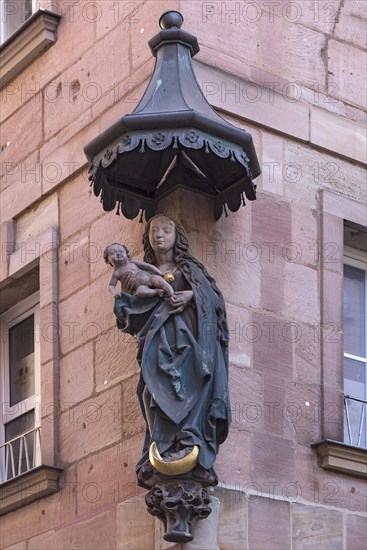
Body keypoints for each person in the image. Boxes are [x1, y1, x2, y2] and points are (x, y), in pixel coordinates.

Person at [113, 215, 230, 487]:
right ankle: (161, 445)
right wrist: (123, 302)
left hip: (189, 343)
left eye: (166, 230)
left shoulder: (190, 270)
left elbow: (213, 300)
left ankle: (190, 439)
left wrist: (190, 296)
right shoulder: (139, 273)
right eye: (154, 231)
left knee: (193, 386)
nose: (159, 235)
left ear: (177, 236)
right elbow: (130, 315)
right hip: (156, 342)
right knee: (148, 392)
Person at [103, 242, 174, 298]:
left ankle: (172, 294)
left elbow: (148, 266)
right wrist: (114, 293)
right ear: (108, 261)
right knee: (140, 293)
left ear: (127, 254)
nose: (118, 254)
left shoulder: (133, 262)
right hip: (140, 287)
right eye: (112, 253)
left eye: (121, 251)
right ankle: (157, 292)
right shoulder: (117, 273)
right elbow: (111, 286)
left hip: (150, 278)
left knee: (159, 280)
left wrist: (160, 273)